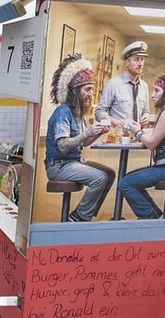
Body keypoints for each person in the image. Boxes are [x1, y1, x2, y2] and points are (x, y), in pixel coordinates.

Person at [45, 54, 116, 222]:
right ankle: (78, 218)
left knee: (109, 174)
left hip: (73, 162)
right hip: (58, 166)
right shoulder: (63, 112)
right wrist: (87, 132)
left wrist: (98, 132)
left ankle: (87, 214)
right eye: (88, 90)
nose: (91, 94)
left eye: (92, 89)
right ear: (75, 90)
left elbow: (84, 142)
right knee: (100, 178)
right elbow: (63, 146)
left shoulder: (79, 112)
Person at [120, 74, 165, 219]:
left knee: (125, 183)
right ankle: (153, 213)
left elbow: (151, 144)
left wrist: (137, 131)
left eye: (157, 90)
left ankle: (149, 216)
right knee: (130, 180)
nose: (152, 95)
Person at [95, 41, 150, 129]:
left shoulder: (144, 86)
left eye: (142, 60)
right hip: (118, 138)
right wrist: (115, 122)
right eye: (136, 59)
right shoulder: (114, 84)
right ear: (127, 63)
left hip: (138, 138)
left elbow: (146, 112)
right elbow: (99, 113)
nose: (140, 64)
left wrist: (145, 118)